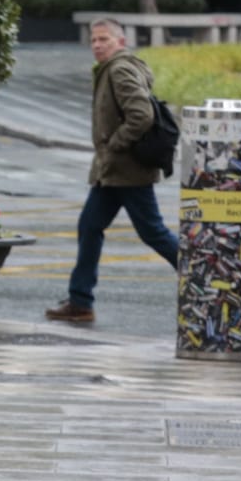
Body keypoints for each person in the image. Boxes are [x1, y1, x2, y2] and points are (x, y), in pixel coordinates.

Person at [46, 18, 182, 324]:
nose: (96, 45)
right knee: (90, 226)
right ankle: (80, 301)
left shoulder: (119, 69)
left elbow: (141, 114)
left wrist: (115, 144)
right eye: (94, 40)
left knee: (153, 232)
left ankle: (200, 275)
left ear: (120, 42)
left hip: (127, 171)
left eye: (104, 39)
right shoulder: (113, 68)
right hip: (112, 173)